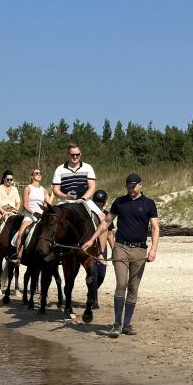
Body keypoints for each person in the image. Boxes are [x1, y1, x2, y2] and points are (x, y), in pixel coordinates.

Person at [83, 173, 159, 338]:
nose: (131, 190)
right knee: (121, 284)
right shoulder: (119, 202)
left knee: (133, 288)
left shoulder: (149, 204)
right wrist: (91, 240)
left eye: (134, 186)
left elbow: (154, 227)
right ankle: (117, 324)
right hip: (121, 248)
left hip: (140, 250)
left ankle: (126, 324)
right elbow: (106, 222)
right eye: (129, 187)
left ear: (141, 185)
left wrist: (153, 249)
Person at [52, 143, 103, 220]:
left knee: (103, 218)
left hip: (85, 201)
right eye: (72, 155)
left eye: (77, 154)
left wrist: (83, 199)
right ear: (68, 154)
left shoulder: (88, 167)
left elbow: (92, 187)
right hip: (65, 201)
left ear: (80, 154)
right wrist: (66, 196)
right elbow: (56, 190)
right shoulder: (59, 169)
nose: (75, 156)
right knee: (50, 220)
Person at [14, 168, 53, 262]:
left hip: (41, 216)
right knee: (20, 234)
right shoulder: (27, 188)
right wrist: (33, 213)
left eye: (40, 173)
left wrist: (53, 192)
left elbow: (49, 203)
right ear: (32, 176)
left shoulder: (43, 190)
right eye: (36, 173)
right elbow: (25, 205)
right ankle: (18, 257)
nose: (39, 174)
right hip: (30, 216)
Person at [0, 170, 20, 253]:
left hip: (12, 210)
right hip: (1, 209)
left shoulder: (14, 189)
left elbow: (18, 202)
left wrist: (16, 210)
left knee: (21, 224)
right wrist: (3, 212)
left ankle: (19, 245)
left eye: (11, 180)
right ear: (4, 179)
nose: (10, 181)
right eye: (8, 179)